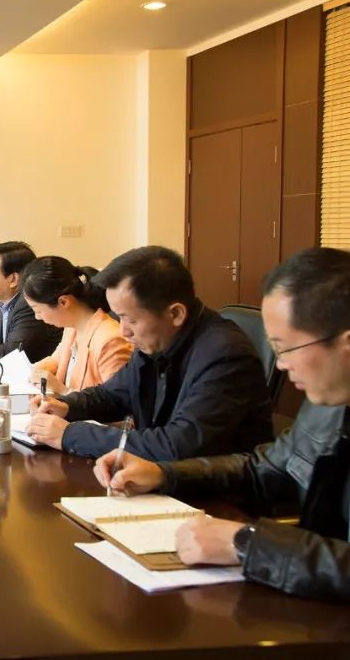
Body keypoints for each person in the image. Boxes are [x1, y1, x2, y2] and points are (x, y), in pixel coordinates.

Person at [94, 247, 350, 601]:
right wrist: (164, 474)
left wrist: (246, 544)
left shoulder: (226, 350)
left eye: (286, 348)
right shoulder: (329, 404)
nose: (279, 365)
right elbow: (263, 469)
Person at [27, 246, 272, 460]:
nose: (123, 330)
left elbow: (177, 444)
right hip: (161, 478)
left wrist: (70, 434)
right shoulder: (157, 339)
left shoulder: (224, 355)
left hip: (215, 492)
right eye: (119, 317)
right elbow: (113, 395)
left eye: (130, 319)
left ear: (175, 314)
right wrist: (65, 406)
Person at [23, 256, 134, 395]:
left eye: (37, 310)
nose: (37, 317)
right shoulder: (71, 328)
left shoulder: (110, 340)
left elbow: (117, 401)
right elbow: (56, 361)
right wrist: (30, 372)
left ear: (63, 302)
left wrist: (62, 390)